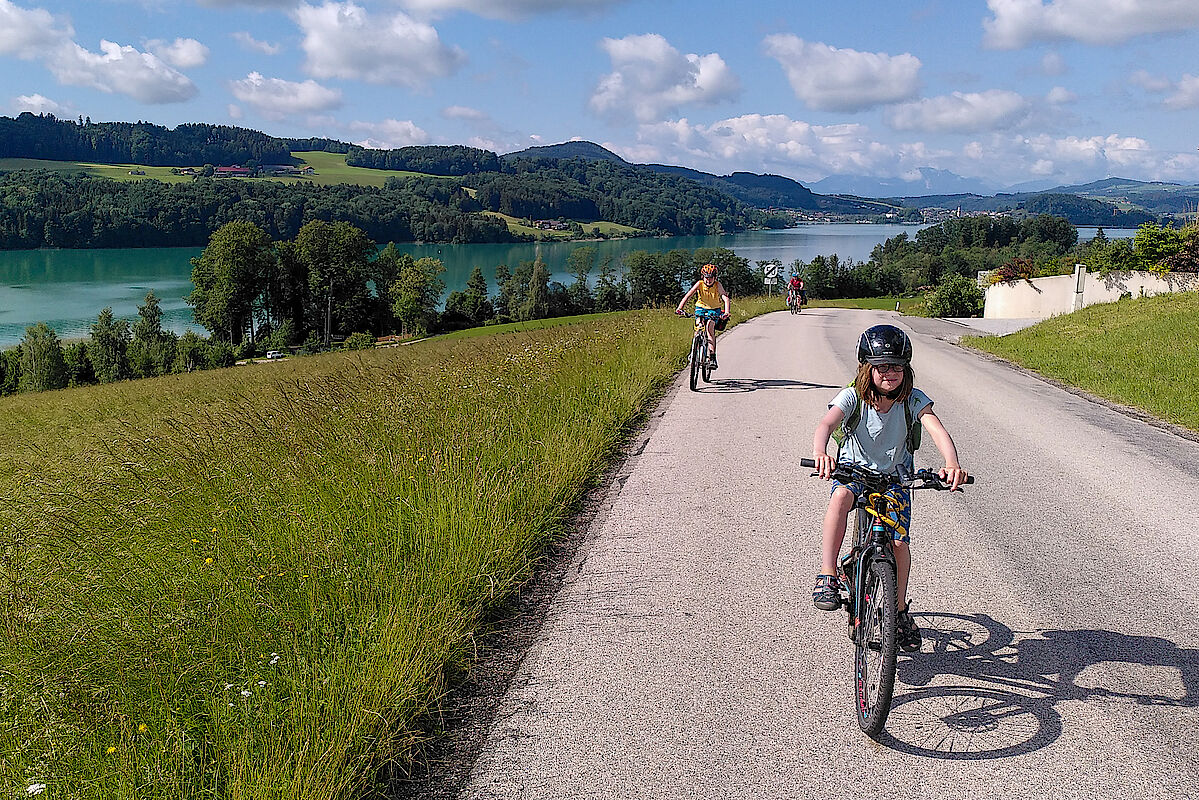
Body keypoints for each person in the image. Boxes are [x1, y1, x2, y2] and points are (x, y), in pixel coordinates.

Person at [808, 324, 967, 652]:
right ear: (867, 368)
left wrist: (951, 463)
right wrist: (821, 452)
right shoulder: (854, 395)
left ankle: (898, 610)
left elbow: (936, 429)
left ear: (906, 368)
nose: (889, 373)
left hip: (896, 479)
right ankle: (827, 573)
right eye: (881, 366)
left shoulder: (912, 399)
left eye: (896, 366)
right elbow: (826, 424)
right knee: (839, 496)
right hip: (853, 472)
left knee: (897, 543)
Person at [675, 263, 731, 369]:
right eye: (706, 278)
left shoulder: (717, 285)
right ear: (703, 277)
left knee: (710, 328)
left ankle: (712, 357)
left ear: (715, 277)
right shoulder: (699, 284)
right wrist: (680, 308)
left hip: (714, 309)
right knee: (698, 327)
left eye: (711, 278)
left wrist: (726, 312)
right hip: (700, 308)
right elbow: (688, 295)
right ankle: (694, 352)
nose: (708, 280)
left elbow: (725, 297)